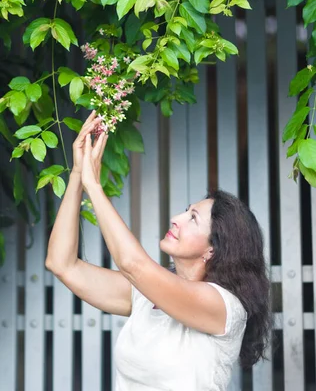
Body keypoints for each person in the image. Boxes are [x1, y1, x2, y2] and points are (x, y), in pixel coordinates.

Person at [46, 111, 271, 391]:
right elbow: (62, 264)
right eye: (186, 211)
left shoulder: (224, 307)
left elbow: (133, 265)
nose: (176, 218)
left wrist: (94, 185)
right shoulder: (144, 295)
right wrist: (79, 175)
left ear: (213, 249)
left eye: (193, 219)